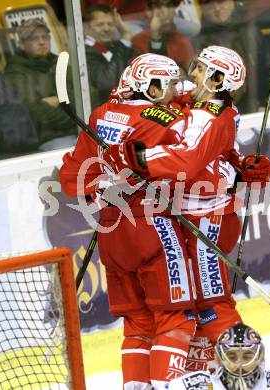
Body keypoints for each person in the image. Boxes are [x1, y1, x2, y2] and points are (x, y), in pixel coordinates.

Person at [104, 45, 270, 372]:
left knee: (211, 305)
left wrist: (136, 158)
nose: (190, 73)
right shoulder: (201, 104)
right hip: (190, 214)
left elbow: (188, 159)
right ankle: (198, 372)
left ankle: (244, 373)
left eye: (198, 68)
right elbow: (215, 155)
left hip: (207, 218)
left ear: (217, 77)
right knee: (188, 303)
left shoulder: (210, 115)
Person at [59, 53, 197, 389]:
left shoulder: (101, 114)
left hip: (112, 233)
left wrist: (100, 191)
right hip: (153, 229)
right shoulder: (165, 120)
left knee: (137, 324)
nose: (173, 91)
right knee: (174, 319)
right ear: (149, 86)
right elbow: (191, 160)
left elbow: (72, 177)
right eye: (168, 85)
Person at [4, 18, 78, 151]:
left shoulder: (59, 63)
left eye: (45, 37)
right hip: (49, 139)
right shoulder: (15, 72)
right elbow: (35, 112)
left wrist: (57, 101)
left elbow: (84, 96)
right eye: (34, 39)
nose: (42, 42)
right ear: (21, 44)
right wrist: (74, 118)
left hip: (80, 130)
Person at [166, 322, 270, 389]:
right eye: (232, 356)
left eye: (247, 356)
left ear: (261, 357)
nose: (240, 364)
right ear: (218, 358)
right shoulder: (188, 387)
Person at [83, 4, 137, 104]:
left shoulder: (113, 46)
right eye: (100, 25)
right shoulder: (84, 51)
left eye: (110, 24)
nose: (107, 29)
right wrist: (125, 36)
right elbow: (107, 83)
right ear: (86, 28)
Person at [132, 0, 194, 72]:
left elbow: (189, 75)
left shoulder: (183, 40)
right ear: (148, 12)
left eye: (169, 5)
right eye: (159, 6)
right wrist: (155, 35)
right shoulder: (138, 41)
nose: (165, 11)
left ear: (175, 10)